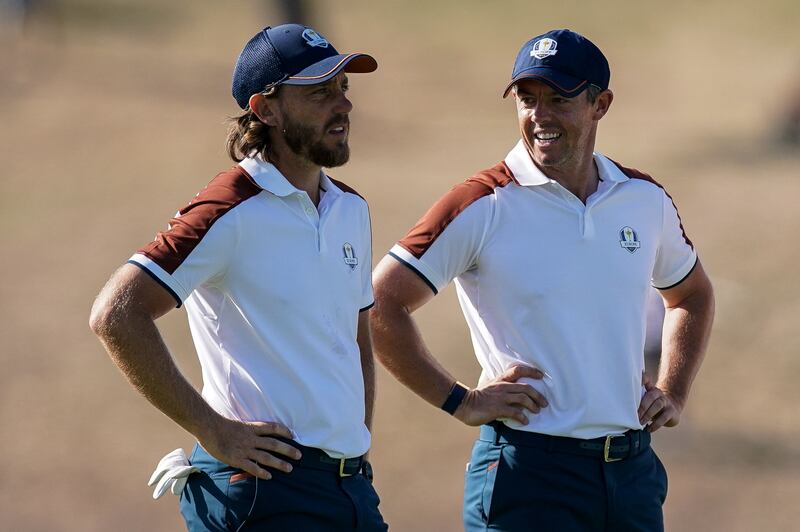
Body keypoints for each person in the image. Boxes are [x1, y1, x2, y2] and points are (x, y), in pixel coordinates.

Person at [370, 29, 714, 532]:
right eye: (528, 99)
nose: (539, 115)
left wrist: (674, 389)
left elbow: (691, 294)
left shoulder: (643, 199)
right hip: (526, 473)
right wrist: (460, 400)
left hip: (630, 473)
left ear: (601, 105)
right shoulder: (481, 204)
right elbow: (380, 302)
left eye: (559, 99)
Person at [90, 23, 388, 531]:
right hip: (262, 494)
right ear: (265, 109)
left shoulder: (350, 208)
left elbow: (355, 337)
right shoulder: (228, 209)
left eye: (343, 87)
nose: (343, 105)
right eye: (319, 92)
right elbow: (116, 314)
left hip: (349, 490)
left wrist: (353, 444)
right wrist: (213, 430)